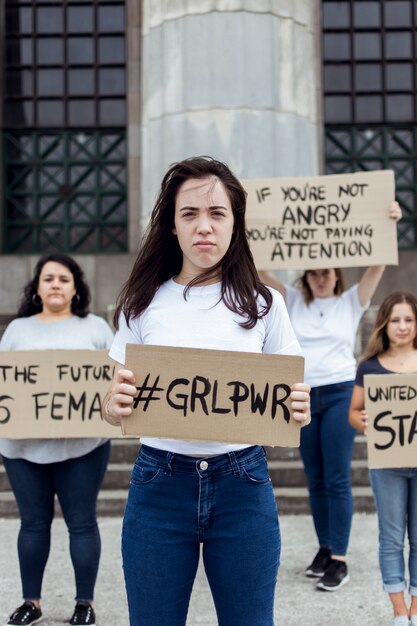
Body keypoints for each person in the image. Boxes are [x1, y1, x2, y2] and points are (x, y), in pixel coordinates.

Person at [102, 155, 311, 626]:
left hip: (243, 484)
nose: (204, 227)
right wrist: (113, 407)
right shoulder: (142, 302)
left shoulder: (264, 303)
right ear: (171, 226)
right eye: (189, 214)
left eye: (217, 214)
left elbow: (290, 391)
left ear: (235, 224)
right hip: (159, 484)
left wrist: (299, 406)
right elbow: (112, 403)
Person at [258, 200, 401, 592]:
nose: (321, 278)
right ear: (306, 276)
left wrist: (386, 221)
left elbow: (377, 265)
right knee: (315, 478)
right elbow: (257, 267)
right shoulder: (291, 299)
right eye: (314, 273)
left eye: (327, 272)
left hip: (339, 392)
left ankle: (339, 557)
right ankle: (324, 547)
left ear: (337, 275)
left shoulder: (350, 301)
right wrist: (250, 223)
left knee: (337, 477)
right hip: (302, 397)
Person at [0, 253, 114, 626]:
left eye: (63, 279)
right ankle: (30, 602)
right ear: (36, 287)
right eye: (48, 278)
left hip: (83, 446)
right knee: (32, 524)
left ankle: (85, 604)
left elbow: (113, 377)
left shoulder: (96, 328)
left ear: (76, 288)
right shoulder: (17, 330)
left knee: (81, 523)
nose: (55, 285)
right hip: (22, 448)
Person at [349, 291, 417, 626]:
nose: (402, 327)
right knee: (391, 537)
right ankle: (399, 610)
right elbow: (354, 413)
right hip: (387, 464)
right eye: (395, 320)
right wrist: (362, 420)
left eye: (408, 319)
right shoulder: (369, 366)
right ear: (384, 324)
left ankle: (416, 608)